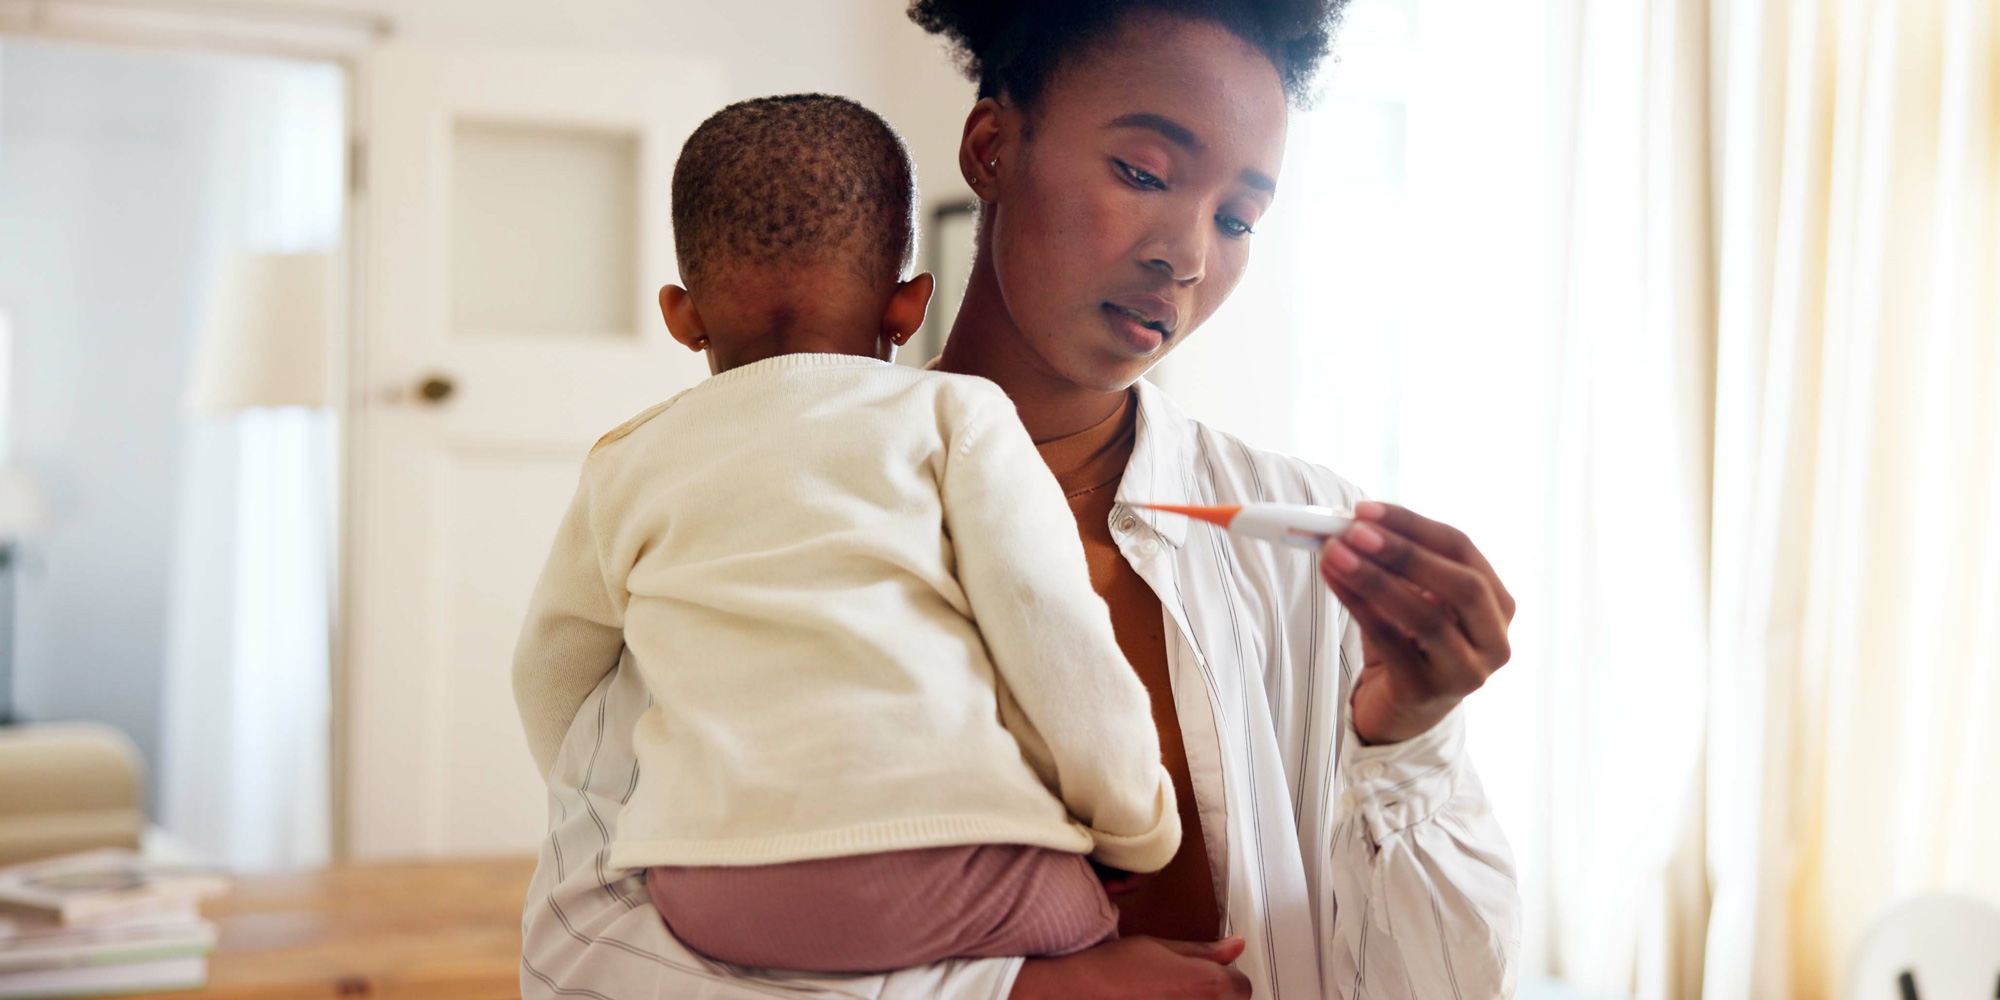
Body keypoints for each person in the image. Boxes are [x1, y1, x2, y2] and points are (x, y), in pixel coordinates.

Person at [519, 2, 1523, 997]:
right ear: (992, 148)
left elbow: (1442, 981)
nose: (1185, 255)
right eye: (1141, 173)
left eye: (1235, 219)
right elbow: (580, 954)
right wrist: (1008, 994)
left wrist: (1412, 734)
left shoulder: (1302, 545)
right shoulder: (737, 504)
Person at [511, 94, 1182, 974]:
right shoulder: (958, 415)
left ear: (682, 314)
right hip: (939, 860)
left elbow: (552, 673)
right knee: (1100, 937)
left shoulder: (629, 460)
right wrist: (1134, 827)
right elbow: (1052, 630)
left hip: (709, 894)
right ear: (907, 308)